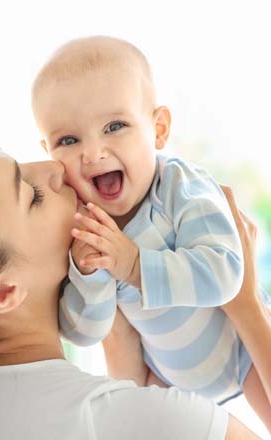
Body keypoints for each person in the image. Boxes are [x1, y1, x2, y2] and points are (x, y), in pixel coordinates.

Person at [0, 139, 264, 439]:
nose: (57, 169)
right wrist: (245, 305)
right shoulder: (154, 425)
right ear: (1, 293)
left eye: (17, 162)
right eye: (32, 195)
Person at [31, 35, 271, 427]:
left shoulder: (180, 188)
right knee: (141, 421)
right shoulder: (82, 227)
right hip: (163, 375)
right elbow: (85, 333)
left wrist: (136, 266)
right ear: (48, 151)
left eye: (114, 126)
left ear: (158, 129)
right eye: (69, 140)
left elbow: (227, 271)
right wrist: (87, 276)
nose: (93, 153)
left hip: (242, 352)